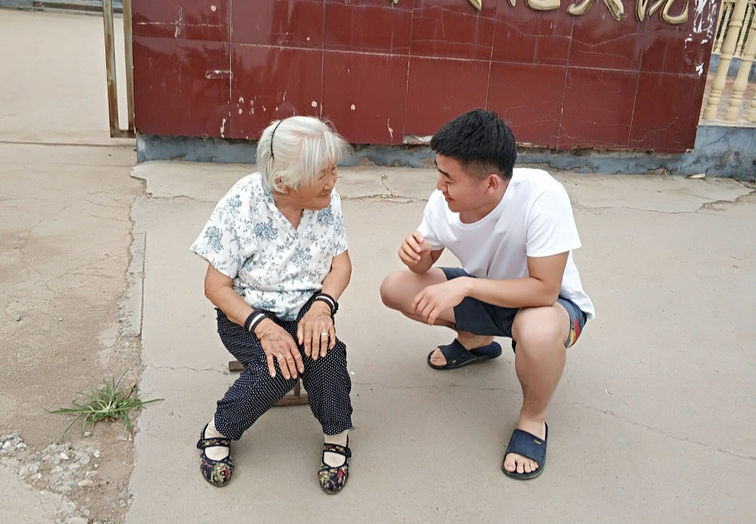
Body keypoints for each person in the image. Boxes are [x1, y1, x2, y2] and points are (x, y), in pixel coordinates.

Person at [379, 109, 594, 480]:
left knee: (536, 330)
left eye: (448, 178)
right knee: (396, 288)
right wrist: (415, 257)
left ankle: (533, 419)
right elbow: (426, 260)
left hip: (551, 307)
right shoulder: (443, 201)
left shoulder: (542, 197)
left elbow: (545, 289)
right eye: (438, 172)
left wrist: (464, 285)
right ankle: (476, 342)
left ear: (491, 184)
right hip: (487, 291)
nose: (439, 186)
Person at [190, 116, 354, 494]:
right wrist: (264, 328)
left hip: (308, 307)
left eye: (333, 170)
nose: (333, 181)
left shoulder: (326, 200)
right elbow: (215, 286)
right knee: (277, 369)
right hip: (248, 315)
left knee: (326, 356)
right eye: (322, 174)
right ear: (283, 182)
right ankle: (218, 429)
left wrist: (322, 306)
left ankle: (337, 435)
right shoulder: (241, 204)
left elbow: (341, 265)